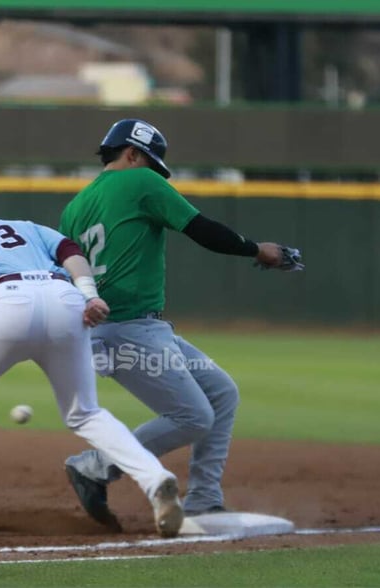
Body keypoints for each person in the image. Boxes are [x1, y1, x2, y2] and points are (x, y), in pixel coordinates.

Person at [0, 190, 184, 538]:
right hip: (65, 299)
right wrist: (90, 295)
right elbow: (69, 250)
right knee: (85, 413)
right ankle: (155, 479)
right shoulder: (18, 226)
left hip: (2, 304)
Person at [60, 119, 294, 529]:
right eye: (150, 161)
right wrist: (259, 250)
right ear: (131, 154)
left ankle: (204, 498)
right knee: (193, 417)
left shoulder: (74, 207)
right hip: (129, 328)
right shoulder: (141, 183)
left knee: (221, 392)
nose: (155, 172)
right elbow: (201, 230)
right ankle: (94, 465)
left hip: (118, 330)